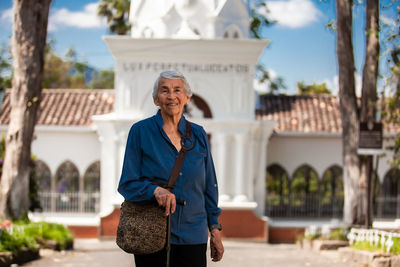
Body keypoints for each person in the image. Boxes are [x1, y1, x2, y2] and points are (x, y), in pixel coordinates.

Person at [118, 70, 224, 267]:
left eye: (177, 90)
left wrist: (215, 229)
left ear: (186, 98)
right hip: (151, 233)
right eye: (164, 90)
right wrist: (154, 190)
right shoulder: (140, 131)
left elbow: (209, 185)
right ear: (156, 99)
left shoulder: (199, 135)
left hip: (193, 234)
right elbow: (127, 184)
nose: (171, 96)